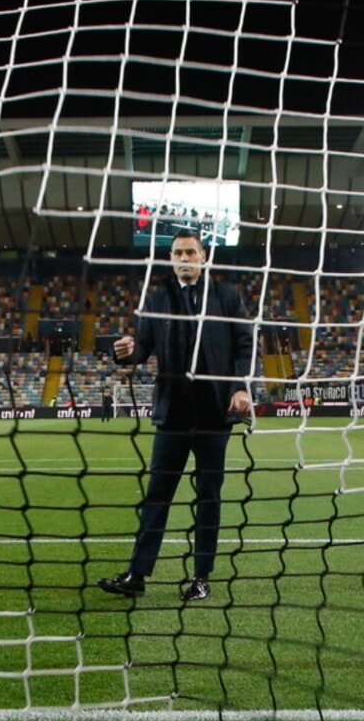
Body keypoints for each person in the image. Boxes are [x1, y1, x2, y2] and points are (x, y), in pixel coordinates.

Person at [97, 229, 256, 603]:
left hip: (215, 413)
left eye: (190, 252)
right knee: (157, 494)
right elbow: (139, 350)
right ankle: (137, 574)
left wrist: (240, 387)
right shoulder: (156, 299)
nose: (183, 259)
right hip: (172, 413)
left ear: (203, 257)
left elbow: (245, 344)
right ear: (171, 259)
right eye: (177, 253)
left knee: (208, 496)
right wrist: (124, 351)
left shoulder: (227, 297)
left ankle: (201, 577)